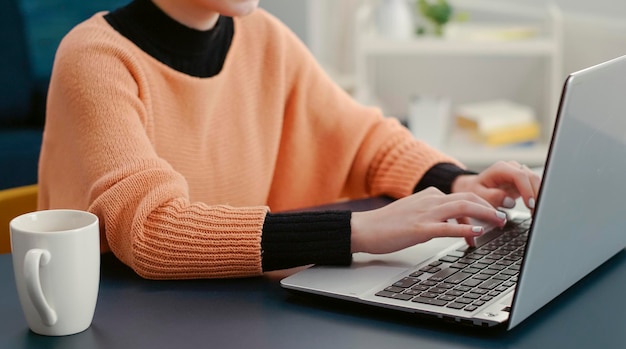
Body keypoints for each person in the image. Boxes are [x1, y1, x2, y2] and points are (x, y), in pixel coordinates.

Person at [38, 0, 541, 280]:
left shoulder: (265, 39)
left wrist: (459, 182)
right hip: (132, 321)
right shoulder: (95, 58)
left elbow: (364, 139)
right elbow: (149, 230)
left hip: (238, 308)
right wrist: (358, 230)